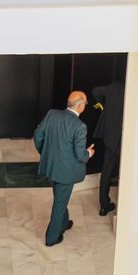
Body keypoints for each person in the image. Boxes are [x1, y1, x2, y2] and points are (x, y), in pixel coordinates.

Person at [33, 91, 95, 247]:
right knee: (59, 203)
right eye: (85, 103)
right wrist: (89, 153)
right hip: (66, 172)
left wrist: (44, 153)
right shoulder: (80, 126)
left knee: (60, 197)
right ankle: (51, 238)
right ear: (80, 106)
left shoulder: (52, 114)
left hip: (51, 167)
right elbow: (80, 155)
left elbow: (38, 135)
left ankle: (64, 222)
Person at [92, 79, 124, 216]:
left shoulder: (113, 86)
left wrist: (102, 105)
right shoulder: (136, 88)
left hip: (111, 138)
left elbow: (95, 91)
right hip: (127, 140)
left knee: (106, 171)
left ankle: (104, 206)